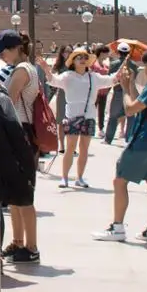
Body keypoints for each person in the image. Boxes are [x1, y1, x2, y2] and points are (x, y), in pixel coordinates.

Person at [93, 49, 147, 244]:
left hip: (142, 141)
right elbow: (141, 104)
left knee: (120, 181)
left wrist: (126, 88)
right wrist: (130, 85)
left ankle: (117, 226)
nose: (145, 70)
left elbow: (129, 109)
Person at [0, 30, 41, 265]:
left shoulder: (22, 71)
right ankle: (19, 241)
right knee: (14, 194)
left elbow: (7, 100)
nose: (2, 58)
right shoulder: (24, 69)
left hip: (21, 132)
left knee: (24, 194)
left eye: (3, 52)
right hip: (19, 131)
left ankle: (31, 246)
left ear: (15, 49)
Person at [50, 48, 119, 188]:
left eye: (84, 57)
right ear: (73, 61)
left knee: (84, 148)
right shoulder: (67, 76)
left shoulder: (93, 77)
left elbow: (112, 80)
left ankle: (80, 177)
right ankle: (64, 178)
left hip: (89, 116)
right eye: (78, 57)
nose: (82, 59)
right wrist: (45, 69)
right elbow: (53, 80)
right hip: (72, 115)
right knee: (70, 147)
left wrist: (121, 70)